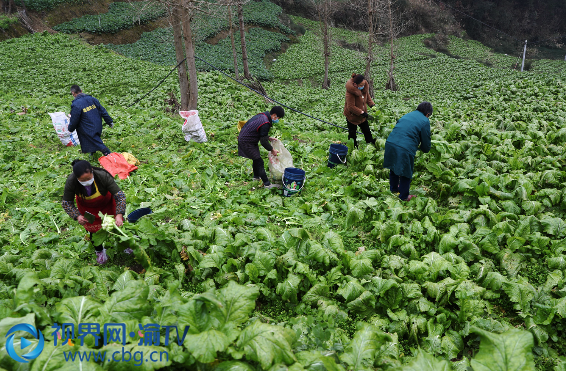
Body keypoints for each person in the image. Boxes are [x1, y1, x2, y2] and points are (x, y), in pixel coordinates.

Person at [61, 160, 127, 264]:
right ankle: (99, 251)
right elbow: (66, 202)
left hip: (106, 203)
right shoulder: (71, 181)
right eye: (82, 180)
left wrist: (119, 215)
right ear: (77, 178)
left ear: (92, 171)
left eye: (88, 178)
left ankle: (124, 244)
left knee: (117, 225)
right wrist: (77, 216)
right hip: (87, 208)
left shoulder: (102, 176)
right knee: (93, 231)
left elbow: (120, 196)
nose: (86, 181)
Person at [383, 102, 432, 201]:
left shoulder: (408, 115)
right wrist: (425, 149)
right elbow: (426, 140)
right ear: (427, 114)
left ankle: (394, 189)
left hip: (390, 142)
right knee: (406, 171)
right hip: (404, 147)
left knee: (394, 166)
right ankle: (404, 196)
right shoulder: (425, 120)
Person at [238, 106, 285, 189]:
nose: (278, 120)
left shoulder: (263, 116)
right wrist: (272, 150)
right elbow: (263, 142)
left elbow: (260, 132)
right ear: (274, 115)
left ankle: (256, 177)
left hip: (247, 138)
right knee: (259, 161)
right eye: (278, 118)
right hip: (247, 141)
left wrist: (268, 137)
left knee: (256, 158)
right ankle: (267, 184)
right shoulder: (266, 122)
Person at [68, 85, 113, 158]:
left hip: (88, 128)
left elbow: (74, 119)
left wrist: (70, 128)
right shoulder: (92, 99)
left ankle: (109, 155)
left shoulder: (76, 104)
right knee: (93, 138)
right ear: (81, 90)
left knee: (96, 141)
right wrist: (109, 121)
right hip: (98, 124)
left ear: (73, 93)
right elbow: (102, 111)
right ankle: (92, 153)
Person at [344, 73, 376, 148]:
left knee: (367, 131)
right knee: (352, 134)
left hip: (362, 117)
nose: (363, 87)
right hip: (352, 117)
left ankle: (371, 144)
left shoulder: (364, 89)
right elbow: (350, 107)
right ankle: (353, 147)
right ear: (355, 84)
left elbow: (368, 98)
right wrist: (361, 112)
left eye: (363, 85)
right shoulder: (350, 93)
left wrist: (372, 105)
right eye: (361, 85)